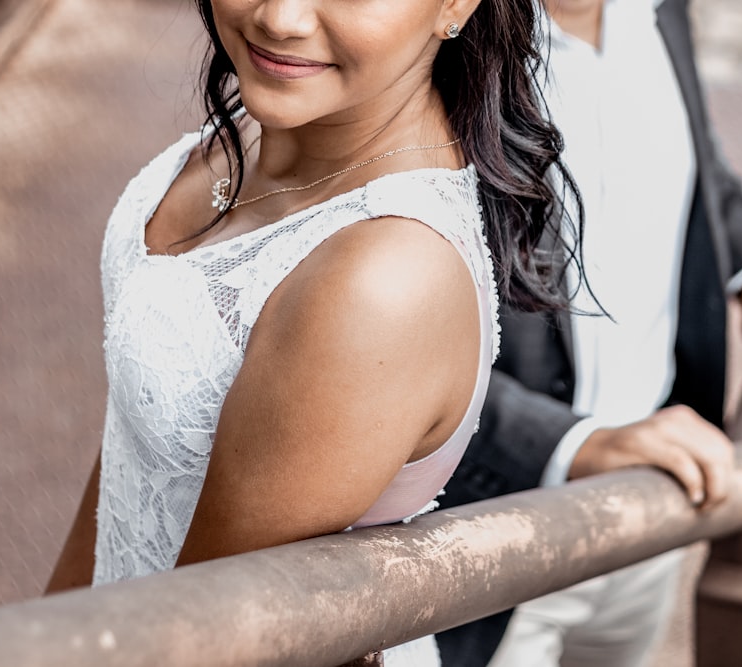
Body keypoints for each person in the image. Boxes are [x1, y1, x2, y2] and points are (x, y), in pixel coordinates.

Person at [42, 1, 583, 665]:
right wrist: (43, 631)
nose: (281, 18)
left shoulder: (381, 283)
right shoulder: (291, 116)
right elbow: (134, 443)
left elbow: (203, 642)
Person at [436, 1, 742, 666]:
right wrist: (576, 442)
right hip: (496, 543)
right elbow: (390, 352)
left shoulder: (658, 9)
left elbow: (693, 146)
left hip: (650, 511)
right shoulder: (442, 40)